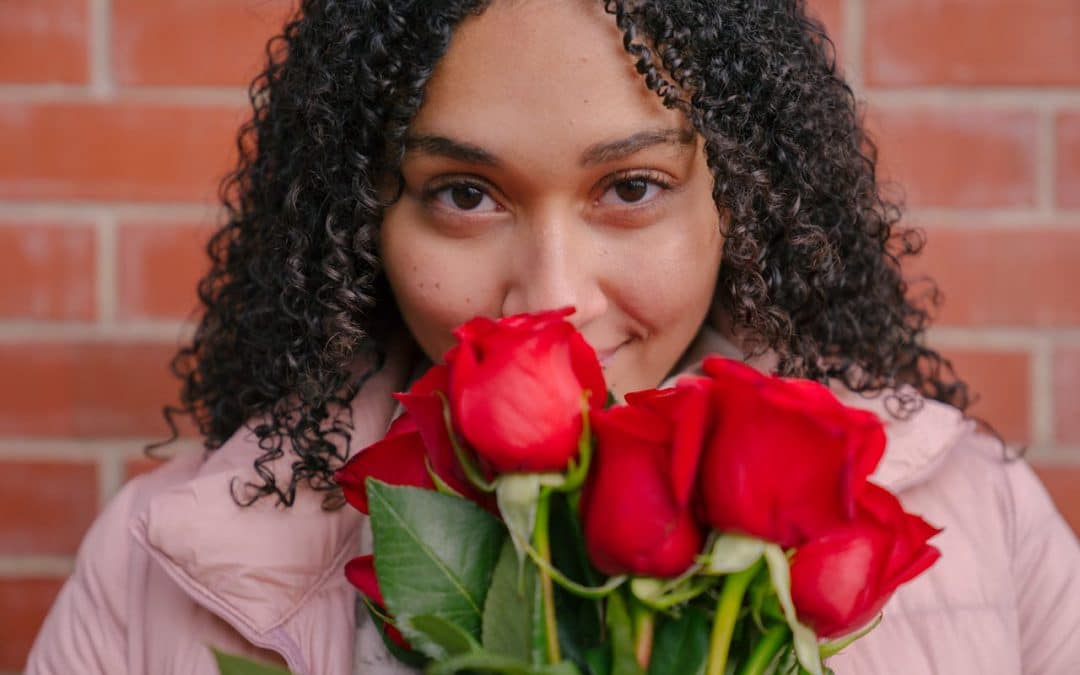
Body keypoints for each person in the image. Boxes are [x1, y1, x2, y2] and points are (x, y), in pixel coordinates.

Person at [26, 1, 1080, 674]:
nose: (553, 299)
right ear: (358, 220)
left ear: (742, 203)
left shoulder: (984, 520)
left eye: (631, 187)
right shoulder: (156, 568)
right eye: (465, 195)